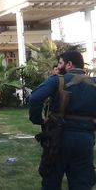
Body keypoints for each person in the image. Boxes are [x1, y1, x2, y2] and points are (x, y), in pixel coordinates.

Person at [29, 50, 96, 190]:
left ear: (69, 64)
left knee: (51, 182)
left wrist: (38, 120)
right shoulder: (94, 83)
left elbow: (34, 98)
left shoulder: (58, 80)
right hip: (86, 139)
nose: (58, 66)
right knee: (82, 184)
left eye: (60, 63)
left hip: (59, 138)